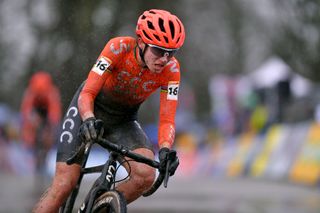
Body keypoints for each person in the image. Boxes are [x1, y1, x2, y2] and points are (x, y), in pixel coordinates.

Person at [33, 9, 185, 212]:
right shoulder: (117, 47)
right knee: (63, 185)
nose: (164, 59)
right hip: (89, 111)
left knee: (146, 175)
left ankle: (98, 206)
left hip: (123, 120)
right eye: (158, 51)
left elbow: (167, 119)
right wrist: (88, 118)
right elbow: (87, 93)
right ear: (141, 42)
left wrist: (166, 149)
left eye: (171, 53)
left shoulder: (172, 70)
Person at [21, 71, 62, 173]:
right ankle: (34, 146)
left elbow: (55, 112)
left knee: (51, 132)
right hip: (36, 110)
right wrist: (31, 126)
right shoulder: (30, 92)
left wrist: (51, 129)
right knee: (29, 129)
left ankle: (46, 148)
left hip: (47, 111)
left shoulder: (52, 92)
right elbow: (26, 110)